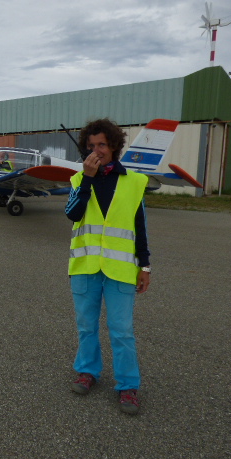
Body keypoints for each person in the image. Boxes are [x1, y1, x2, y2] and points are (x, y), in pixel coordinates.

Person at [64, 118, 151, 415]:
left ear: (113, 146)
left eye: (102, 144)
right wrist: (87, 179)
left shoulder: (134, 182)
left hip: (121, 268)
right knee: (86, 326)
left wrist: (145, 267)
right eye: (91, 145)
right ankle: (87, 371)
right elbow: (73, 214)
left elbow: (140, 228)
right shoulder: (78, 180)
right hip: (85, 266)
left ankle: (128, 385)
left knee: (122, 330)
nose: (96, 150)